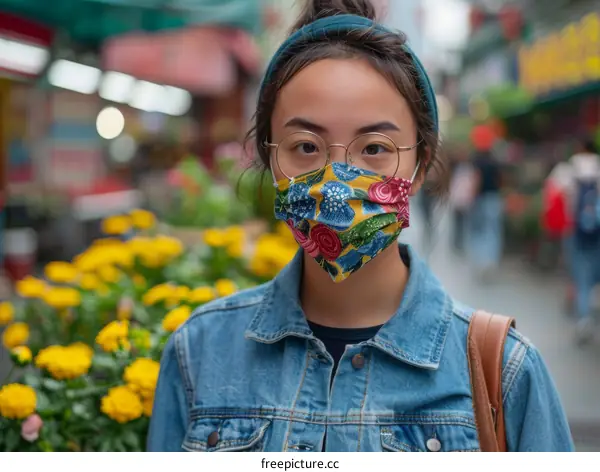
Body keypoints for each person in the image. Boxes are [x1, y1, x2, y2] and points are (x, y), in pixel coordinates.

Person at [148, 0, 573, 452]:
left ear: (420, 164)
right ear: (271, 160)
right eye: (305, 146)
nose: (337, 179)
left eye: (374, 147)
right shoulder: (199, 352)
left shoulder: (502, 373)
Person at [553, 139, 600, 342]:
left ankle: (583, 318)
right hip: (597, 231)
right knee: (594, 273)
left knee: (579, 275)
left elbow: (555, 192)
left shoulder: (569, 168)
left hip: (574, 229)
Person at [467, 144, 504, 279]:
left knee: (478, 231)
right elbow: (501, 181)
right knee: (493, 231)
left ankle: (480, 261)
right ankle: (491, 261)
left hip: (480, 199)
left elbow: (476, 180)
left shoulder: (477, 162)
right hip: (494, 198)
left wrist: (472, 197)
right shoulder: (495, 163)